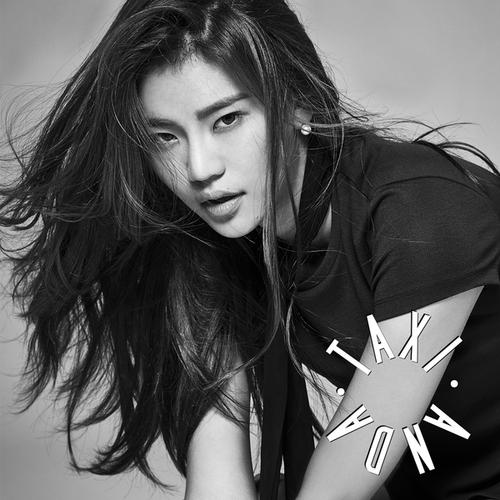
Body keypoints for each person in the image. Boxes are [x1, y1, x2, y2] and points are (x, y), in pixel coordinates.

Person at [1, 1, 499, 499]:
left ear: (299, 101)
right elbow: (218, 468)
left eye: (227, 119)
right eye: (165, 137)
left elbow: (354, 464)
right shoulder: (214, 245)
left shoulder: (424, 210)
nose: (199, 169)